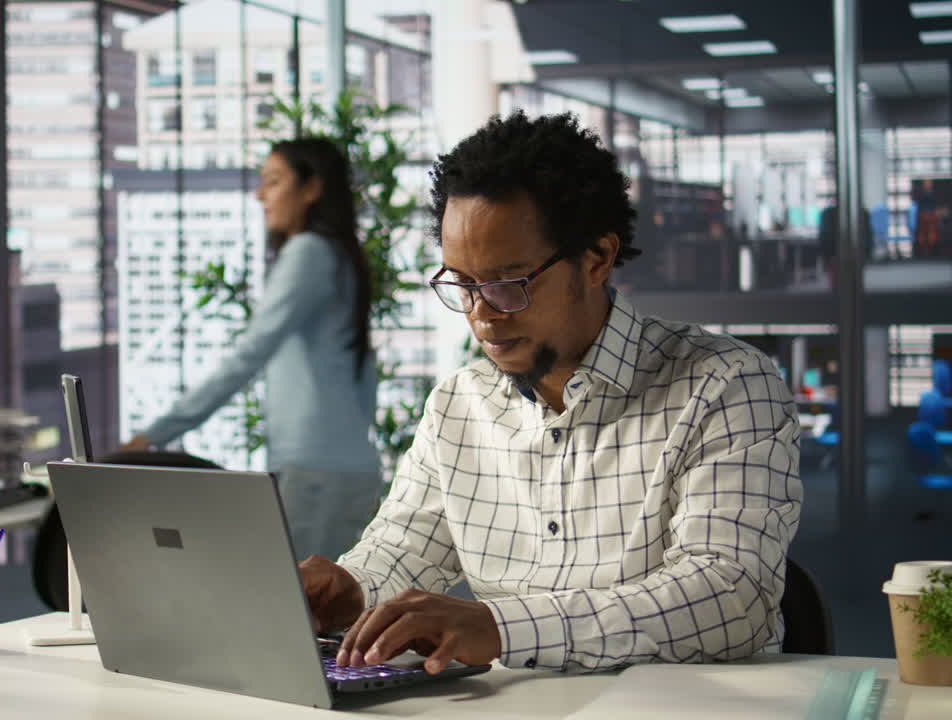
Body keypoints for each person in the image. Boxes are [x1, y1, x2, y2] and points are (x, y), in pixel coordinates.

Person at [300, 112, 802, 676]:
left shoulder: (725, 386)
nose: (481, 314)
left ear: (597, 258)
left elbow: (727, 596)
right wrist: (353, 589)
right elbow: (403, 547)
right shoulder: (458, 405)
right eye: (460, 284)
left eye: (507, 283)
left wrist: (498, 628)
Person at [122, 137, 381, 562]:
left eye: (274, 181)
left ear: (311, 188)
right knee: (323, 614)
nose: (261, 194)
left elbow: (250, 353)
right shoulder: (339, 254)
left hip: (316, 469)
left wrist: (154, 435)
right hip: (342, 466)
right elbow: (363, 368)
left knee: (300, 614)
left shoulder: (309, 252)